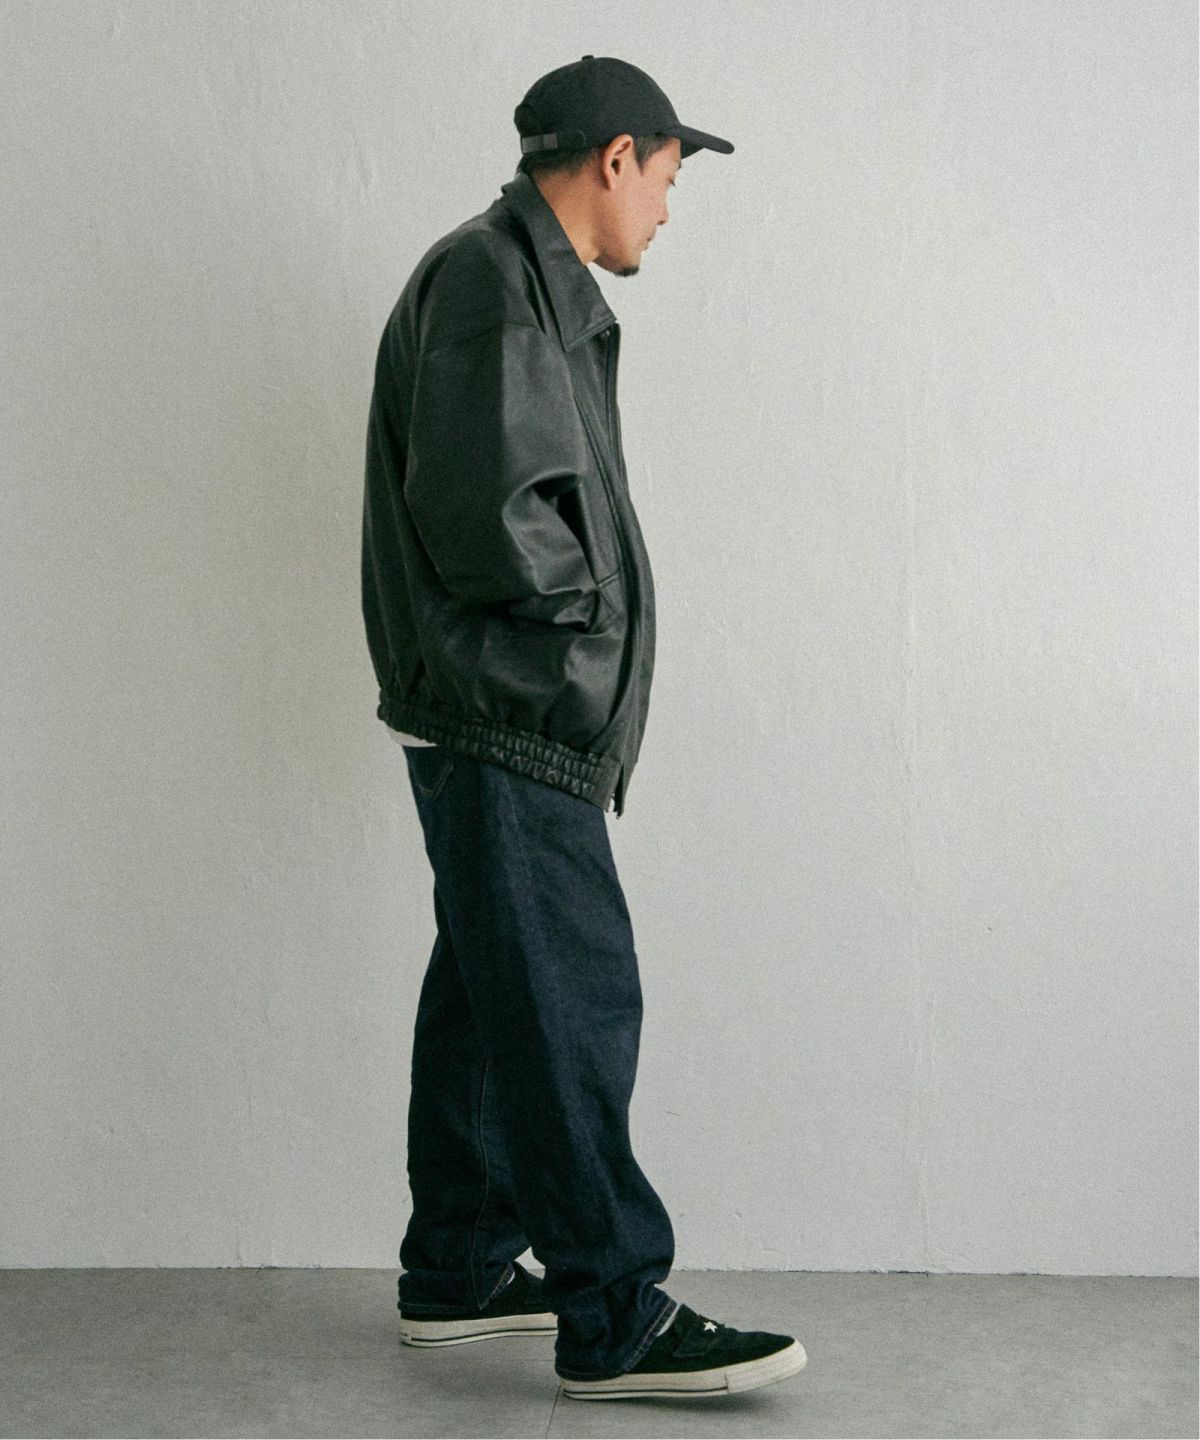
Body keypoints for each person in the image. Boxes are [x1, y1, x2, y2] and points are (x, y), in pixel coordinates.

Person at [360, 54, 807, 1401]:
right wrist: (593, 606)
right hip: (510, 706)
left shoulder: (519, 280)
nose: (668, 207)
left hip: (499, 700)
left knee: (493, 990)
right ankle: (613, 1312)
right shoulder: (494, 284)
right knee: (571, 996)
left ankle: (458, 1269)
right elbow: (483, 516)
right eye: (666, 177)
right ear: (615, 159)